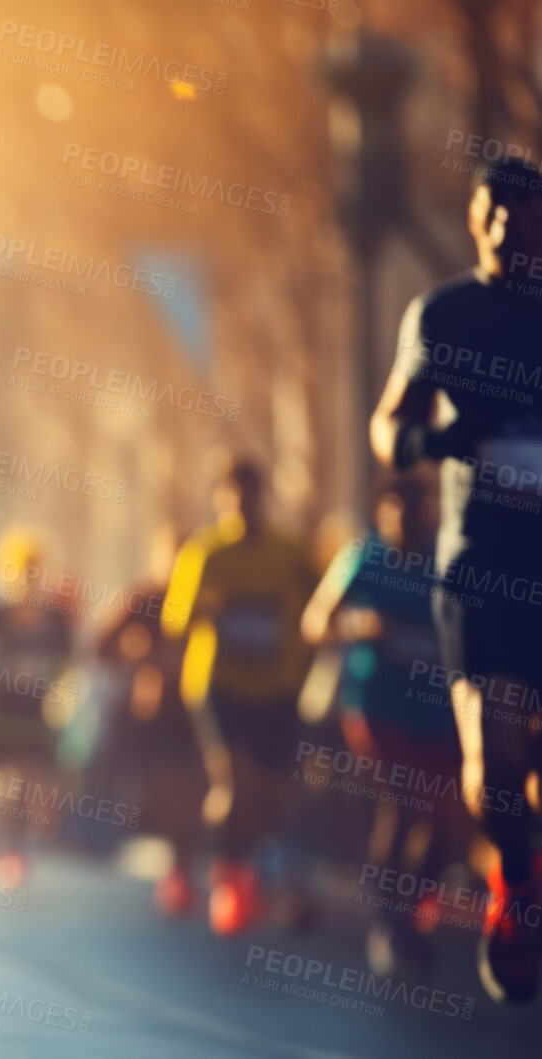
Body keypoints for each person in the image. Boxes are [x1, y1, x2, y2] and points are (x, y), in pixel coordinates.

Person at [369, 156, 542, 1004]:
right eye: (494, 212)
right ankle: (515, 872)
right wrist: (433, 442)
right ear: (474, 220)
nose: (510, 226)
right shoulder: (442, 314)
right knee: (498, 756)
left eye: (525, 212)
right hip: (480, 563)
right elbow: (387, 428)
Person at [302, 473, 462, 975]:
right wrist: (360, 625)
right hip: (377, 706)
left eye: (417, 515)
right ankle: (390, 924)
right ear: (382, 514)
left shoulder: (449, 562)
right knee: (400, 809)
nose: (406, 525)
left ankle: (411, 915)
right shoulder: (364, 559)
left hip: (438, 713)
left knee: (442, 825)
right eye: (397, 515)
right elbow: (316, 622)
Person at [162, 456, 317, 937]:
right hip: (220, 683)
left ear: (261, 496)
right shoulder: (205, 551)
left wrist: (301, 626)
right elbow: (175, 622)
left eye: (250, 496)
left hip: (276, 684)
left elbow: (319, 603)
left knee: (271, 792)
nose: (242, 506)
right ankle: (228, 879)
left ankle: (262, 873)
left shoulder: (289, 551)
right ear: (220, 499)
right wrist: (208, 608)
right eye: (232, 497)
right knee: (233, 784)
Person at [91, 525, 203, 917]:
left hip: (199, 712)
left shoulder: (205, 599)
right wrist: (139, 653)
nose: (176, 567)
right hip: (152, 715)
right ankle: (175, 866)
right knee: (166, 790)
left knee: (188, 789)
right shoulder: (144, 599)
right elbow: (102, 647)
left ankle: (182, 871)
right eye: (170, 557)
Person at [0, 531, 76, 889]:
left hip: (37, 712)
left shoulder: (55, 620)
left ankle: (15, 841)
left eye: (33, 572)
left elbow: (70, 661)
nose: (26, 580)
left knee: (35, 779)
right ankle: (8, 848)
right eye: (19, 571)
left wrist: (57, 685)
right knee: (10, 781)